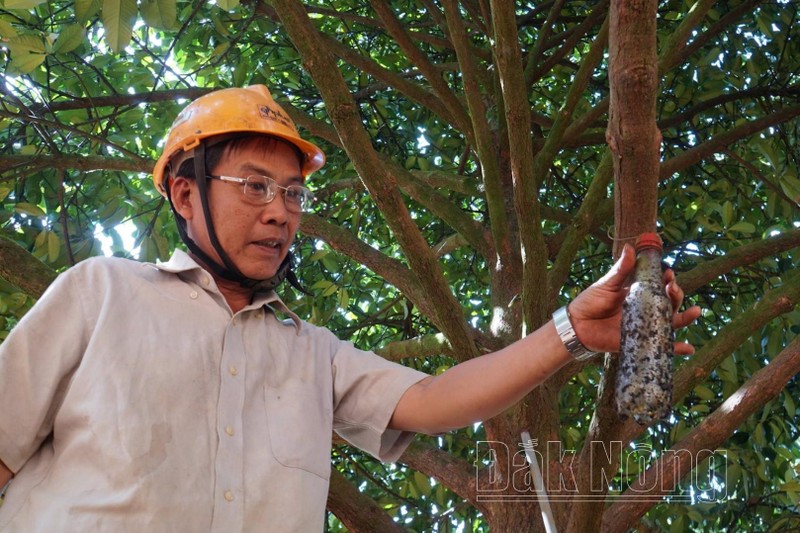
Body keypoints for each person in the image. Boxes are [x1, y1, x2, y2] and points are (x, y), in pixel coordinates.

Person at [0, 85, 700, 531]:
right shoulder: (102, 292)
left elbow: (432, 397)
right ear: (186, 195)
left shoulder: (312, 351)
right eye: (254, 187)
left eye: (294, 194)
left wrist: (571, 330)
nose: (280, 212)